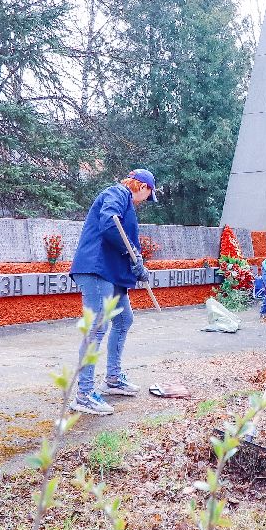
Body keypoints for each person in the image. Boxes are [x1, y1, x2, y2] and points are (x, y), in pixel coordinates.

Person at [68, 168, 157, 415]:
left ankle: (113, 379)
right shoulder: (117, 193)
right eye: (148, 195)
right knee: (97, 327)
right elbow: (109, 223)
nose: (146, 200)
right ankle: (84, 395)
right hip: (97, 268)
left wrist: (137, 264)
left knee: (124, 320)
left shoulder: (125, 202)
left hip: (111, 272)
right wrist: (132, 253)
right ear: (142, 187)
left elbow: (125, 240)